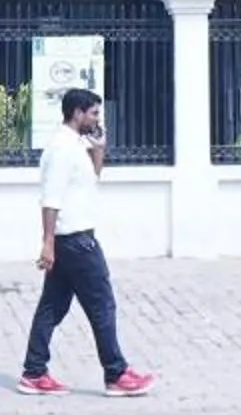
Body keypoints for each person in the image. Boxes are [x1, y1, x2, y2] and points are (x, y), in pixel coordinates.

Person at [15, 88, 153, 398]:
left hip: (74, 240)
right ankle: (116, 373)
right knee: (102, 305)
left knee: (52, 307)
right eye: (93, 113)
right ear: (76, 113)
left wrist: (99, 149)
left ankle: (33, 372)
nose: (97, 119)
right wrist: (47, 243)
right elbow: (50, 198)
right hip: (76, 241)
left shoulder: (76, 145)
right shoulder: (62, 148)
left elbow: (91, 179)